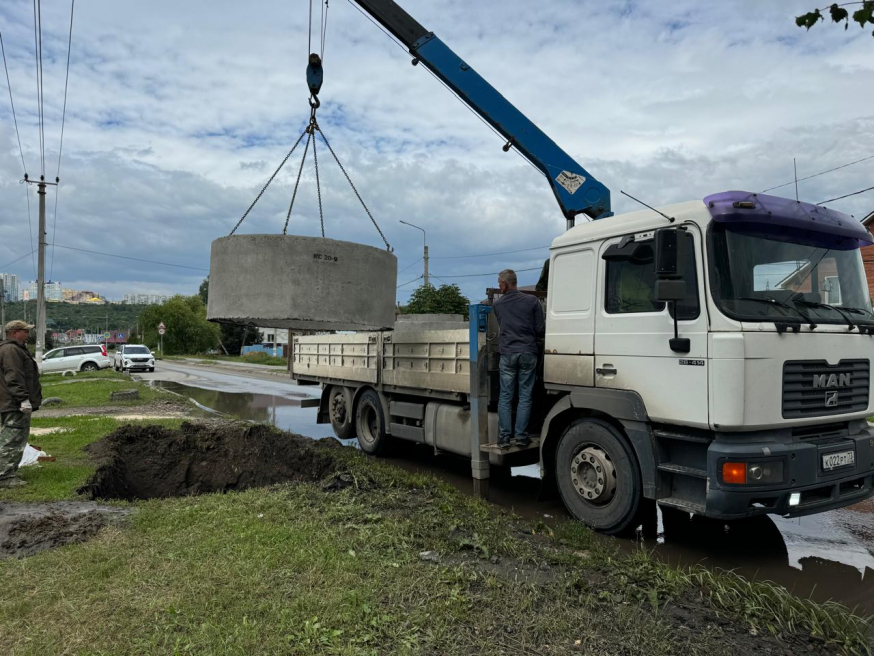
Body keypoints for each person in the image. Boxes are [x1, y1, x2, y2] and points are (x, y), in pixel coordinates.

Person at [492, 269, 545, 449]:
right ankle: (522, 437)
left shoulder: (498, 305)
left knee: (506, 397)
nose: (499, 287)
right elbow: (540, 329)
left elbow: (502, 327)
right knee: (525, 397)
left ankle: (504, 438)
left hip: (507, 354)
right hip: (528, 353)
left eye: (500, 284)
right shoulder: (532, 301)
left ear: (505, 284)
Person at [0, 320, 42, 487]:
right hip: (14, 403)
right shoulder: (11, 350)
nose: (28, 334)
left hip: (9, 401)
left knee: (9, 437)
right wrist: (23, 399)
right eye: (25, 331)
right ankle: (4, 477)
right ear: (15, 333)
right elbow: (14, 376)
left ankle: (6, 471)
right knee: (13, 439)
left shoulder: (10, 348)